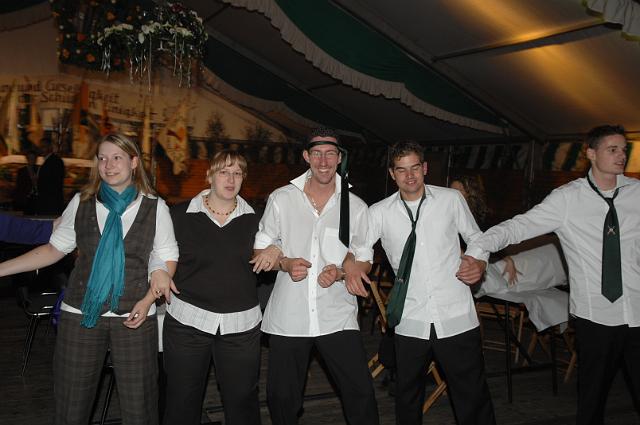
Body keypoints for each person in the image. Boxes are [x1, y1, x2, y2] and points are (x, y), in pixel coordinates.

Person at [465, 125, 640, 425]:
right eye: (613, 150)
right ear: (591, 153)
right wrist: (479, 249)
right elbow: (519, 226)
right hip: (595, 316)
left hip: (637, 312)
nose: (621, 156)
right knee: (592, 400)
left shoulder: (636, 193)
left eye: (624, 150)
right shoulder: (567, 199)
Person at [0, 133, 179, 425]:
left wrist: (149, 300)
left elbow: (167, 256)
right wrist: (1, 269)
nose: (108, 165)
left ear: (134, 162)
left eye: (117, 157)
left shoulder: (155, 207)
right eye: (102, 158)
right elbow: (53, 250)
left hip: (134, 315)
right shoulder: (82, 201)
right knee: (72, 408)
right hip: (80, 314)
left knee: (140, 409)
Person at [357, 141, 496, 425]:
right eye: (401, 170)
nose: (409, 176)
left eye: (415, 168)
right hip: (410, 317)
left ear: (425, 168)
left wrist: (478, 262)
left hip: (455, 315)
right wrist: (351, 268)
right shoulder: (378, 212)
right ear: (392, 174)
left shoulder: (450, 199)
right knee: (407, 397)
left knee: (472, 395)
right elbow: (360, 250)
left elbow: (477, 238)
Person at [252, 127, 379, 425]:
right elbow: (261, 253)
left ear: (340, 158)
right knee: (282, 398)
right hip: (289, 315)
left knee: (360, 393)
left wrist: (342, 272)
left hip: (336, 314)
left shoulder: (356, 207)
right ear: (306, 156)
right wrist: (284, 263)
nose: (324, 161)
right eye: (317, 153)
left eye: (330, 153)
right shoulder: (282, 198)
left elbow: (364, 258)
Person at [158, 150, 278, 425]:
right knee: (181, 403)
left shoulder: (259, 219)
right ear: (210, 175)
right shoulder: (178, 215)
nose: (231, 179)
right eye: (224, 172)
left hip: (241, 326)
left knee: (243, 403)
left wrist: (276, 248)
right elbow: (158, 254)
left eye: (237, 173)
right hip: (187, 322)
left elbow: (282, 243)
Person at [35, 137, 65, 216]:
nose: (41, 149)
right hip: (50, 202)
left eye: (43, 147)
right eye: (40, 147)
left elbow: (54, 184)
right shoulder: (52, 161)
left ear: (49, 148)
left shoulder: (54, 161)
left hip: (50, 203)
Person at [13, 149, 39, 214]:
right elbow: (19, 186)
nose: (32, 160)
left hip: (36, 198)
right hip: (25, 199)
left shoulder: (38, 169)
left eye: (33, 158)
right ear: (27, 159)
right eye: (30, 158)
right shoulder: (22, 171)